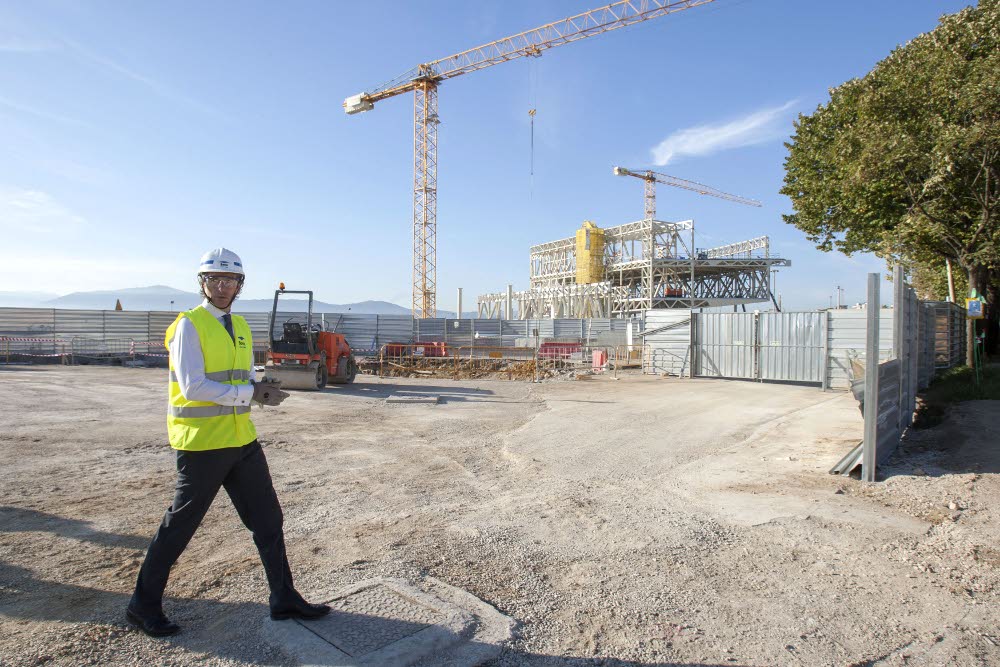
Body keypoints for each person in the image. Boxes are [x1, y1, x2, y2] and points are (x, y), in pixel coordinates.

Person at [126, 247, 329, 637]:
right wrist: (246, 393)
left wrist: (258, 386)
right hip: (202, 445)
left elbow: (236, 377)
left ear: (240, 284)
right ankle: (142, 605)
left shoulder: (239, 325)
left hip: (241, 440)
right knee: (179, 527)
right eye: (215, 280)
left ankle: (283, 598)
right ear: (202, 283)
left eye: (230, 280)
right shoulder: (189, 324)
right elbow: (193, 386)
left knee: (269, 521)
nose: (222, 287)